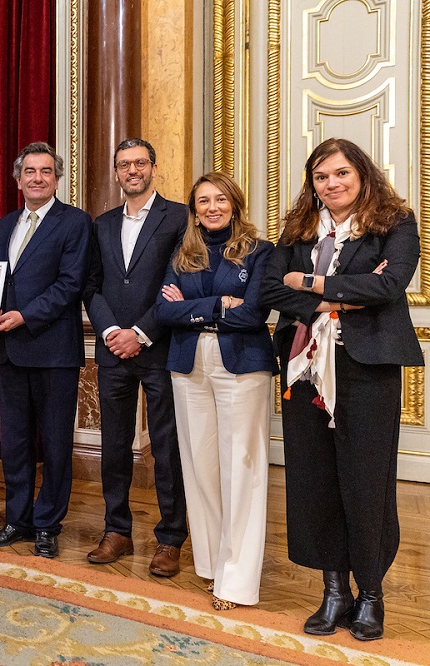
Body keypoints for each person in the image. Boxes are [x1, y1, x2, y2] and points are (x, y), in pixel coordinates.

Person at [261, 138, 422, 641]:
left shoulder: (395, 224)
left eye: (340, 174)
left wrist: (308, 282)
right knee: (315, 480)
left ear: (362, 174)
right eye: (321, 177)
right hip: (304, 369)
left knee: (366, 481)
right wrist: (335, 300)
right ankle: (334, 591)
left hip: (367, 368)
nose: (331, 184)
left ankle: (370, 593)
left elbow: (388, 287)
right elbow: (269, 288)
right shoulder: (298, 228)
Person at [156, 172, 276, 610]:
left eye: (219, 199)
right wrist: (218, 306)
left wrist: (191, 309)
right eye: (202, 201)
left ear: (234, 203)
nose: (211, 207)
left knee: (241, 470)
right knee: (200, 467)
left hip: (242, 365)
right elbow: (162, 311)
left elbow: (254, 315)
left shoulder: (261, 252)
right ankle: (210, 566)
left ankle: (237, 582)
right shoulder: (184, 251)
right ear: (193, 209)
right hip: (188, 364)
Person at [83, 138, 188, 577]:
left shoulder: (180, 216)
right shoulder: (101, 223)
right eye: (124, 164)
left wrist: (141, 333)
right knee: (114, 445)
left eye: (140, 163)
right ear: (115, 172)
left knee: (166, 446)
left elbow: (178, 279)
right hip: (111, 350)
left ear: (154, 167)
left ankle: (169, 538)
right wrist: (111, 331)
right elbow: (91, 285)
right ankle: (117, 530)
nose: (132, 170)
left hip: (159, 345)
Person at [0, 142, 90, 559]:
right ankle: (17, 518)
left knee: (56, 444)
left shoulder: (75, 222)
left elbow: (69, 285)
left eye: (46, 171)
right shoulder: (5, 224)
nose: (38, 178)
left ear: (57, 179)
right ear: (18, 178)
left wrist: (24, 316)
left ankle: (47, 523)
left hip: (53, 351)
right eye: (30, 171)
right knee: (14, 442)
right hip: (9, 351)